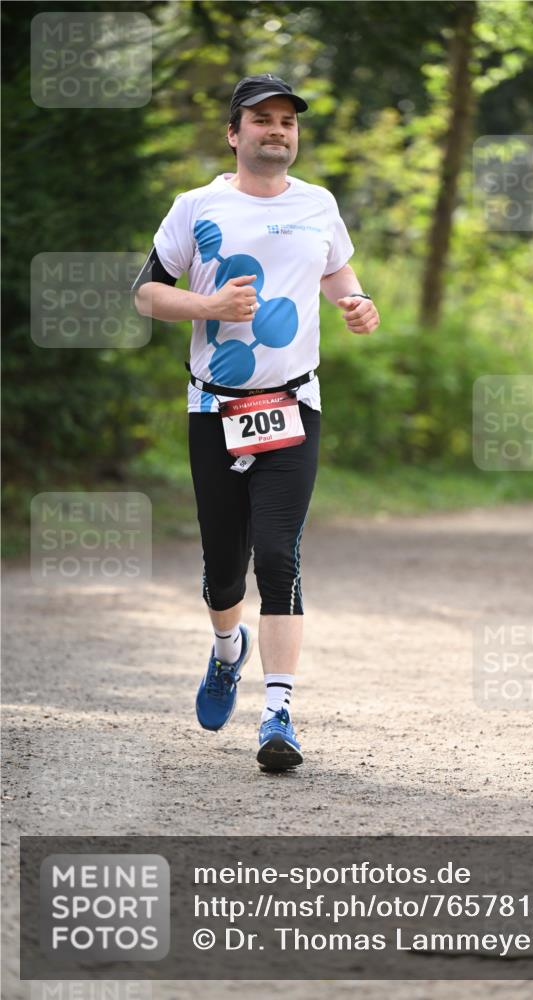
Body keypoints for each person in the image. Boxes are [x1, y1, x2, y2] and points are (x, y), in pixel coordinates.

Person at [133, 73, 379, 771]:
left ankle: (277, 713)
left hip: (292, 404)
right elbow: (147, 293)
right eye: (262, 119)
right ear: (234, 133)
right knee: (222, 573)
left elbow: (339, 273)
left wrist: (356, 303)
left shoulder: (319, 204)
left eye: (287, 121)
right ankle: (224, 651)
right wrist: (206, 308)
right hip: (214, 406)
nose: (277, 130)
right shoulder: (197, 206)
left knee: (278, 554)